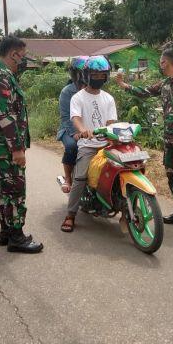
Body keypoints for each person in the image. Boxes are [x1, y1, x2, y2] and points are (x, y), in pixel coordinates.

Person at [115, 48, 173, 239]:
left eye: (162, 62)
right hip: (169, 139)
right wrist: (124, 85)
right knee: (172, 174)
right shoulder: (166, 83)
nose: (160, 65)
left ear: (168, 62)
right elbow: (145, 92)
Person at [0, 35, 43, 253]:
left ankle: (6, 232)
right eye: (23, 56)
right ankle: (16, 237)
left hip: (1, 145)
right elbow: (6, 116)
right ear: (13, 54)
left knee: (5, 188)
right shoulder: (1, 78)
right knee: (16, 189)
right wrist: (17, 149)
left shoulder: (1, 74)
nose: (24, 60)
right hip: (6, 147)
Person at [61, 55, 117, 232]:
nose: (99, 78)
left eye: (102, 75)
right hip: (88, 145)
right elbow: (75, 118)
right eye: (95, 75)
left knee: (121, 168)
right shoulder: (77, 97)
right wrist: (83, 130)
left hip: (106, 144)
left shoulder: (108, 98)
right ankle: (70, 215)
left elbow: (111, 122)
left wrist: (113, 134)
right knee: (80, 178)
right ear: (86, 75)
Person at [56, 56, 88, 193]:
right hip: (69, 129)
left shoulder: (94, 89)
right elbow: (65, 116)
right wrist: (75, 133)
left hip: (89, 128)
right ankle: (68, 178)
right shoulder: (67, 91)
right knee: (72, 146)